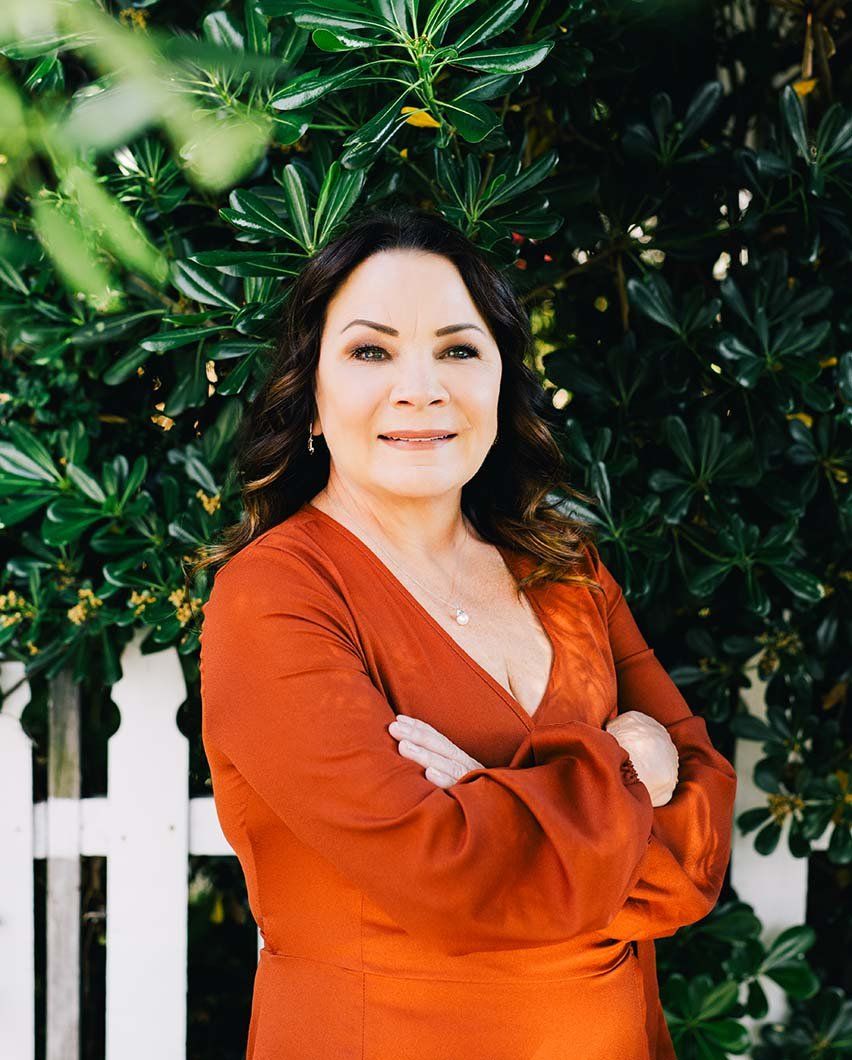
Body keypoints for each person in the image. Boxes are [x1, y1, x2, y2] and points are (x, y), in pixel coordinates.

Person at [194, 205, 737, 1059]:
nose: (423, 387)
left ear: (498, 383)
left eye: (458, 348)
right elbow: (451, 877)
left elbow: (700, 851)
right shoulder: (273, 598)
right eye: (371, 351)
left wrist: (506, 803)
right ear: (311, 399)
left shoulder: (565, 566)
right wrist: (632, 765)